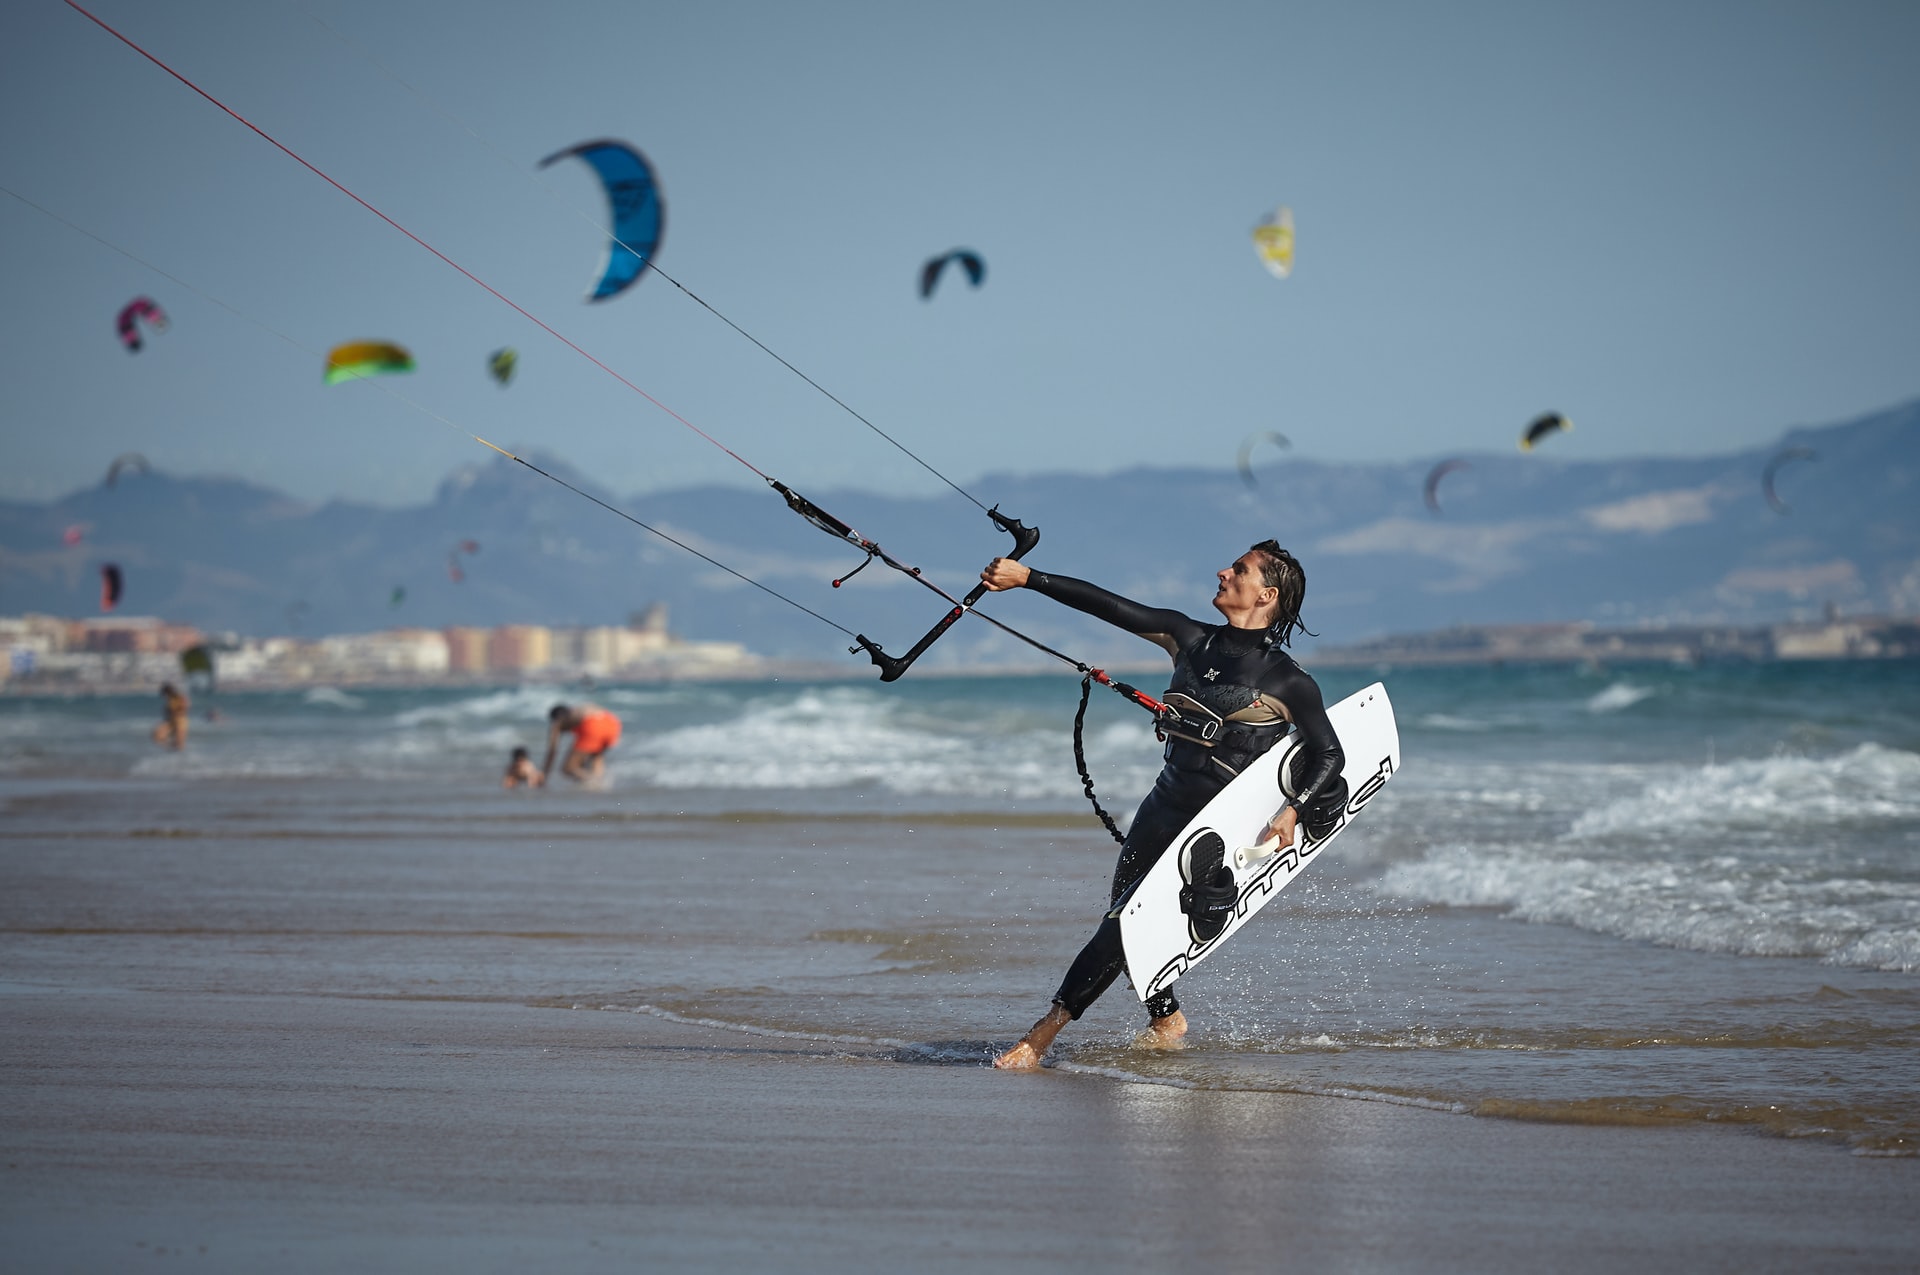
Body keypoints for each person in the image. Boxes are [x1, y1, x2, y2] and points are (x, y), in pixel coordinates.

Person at [980, 540, 1347, 1070]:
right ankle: (1166, 1017)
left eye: (1238, 570)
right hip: (1163, 803)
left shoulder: (1287, 680)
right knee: (1128, 925)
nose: (1223, 571)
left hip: (1213, 827)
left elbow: (1328, 753)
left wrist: (1293, 810)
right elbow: (1107, 605)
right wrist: (1027, 577)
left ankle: (1040, 1038)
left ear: (1266, 594)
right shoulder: (1188, 639)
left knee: (1121, 923)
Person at [542, 703, 622, 784]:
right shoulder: (578, 710)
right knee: (595, 756)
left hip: (593, 725)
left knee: (568, 768)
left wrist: (544, 775)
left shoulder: (558, 722)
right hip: (611, 723)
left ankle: (595, 782)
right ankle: (599, 786)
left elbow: (552, 751)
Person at [151, 682, 190, 751]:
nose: (164, 696)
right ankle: (170, 750)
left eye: (165, 693)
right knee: (156, 736)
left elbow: (185, 707)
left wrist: (175, 711)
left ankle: (177, 757)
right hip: (171, 721)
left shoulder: (179, 697)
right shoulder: (170, 699)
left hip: (180, 721)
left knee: (180, 745)